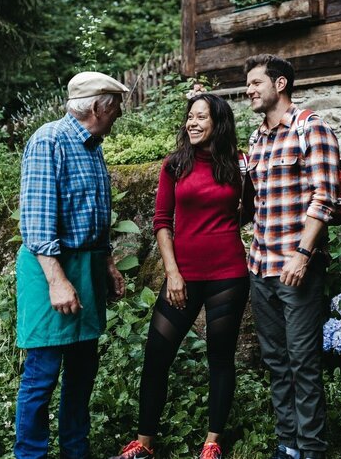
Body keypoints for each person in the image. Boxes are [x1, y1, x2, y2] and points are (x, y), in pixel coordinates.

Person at [111, 93, 250, 459]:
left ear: (218, 123)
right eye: (190, 117)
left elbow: (248, 212)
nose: (192, 123)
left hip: (228, 275)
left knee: (220, 359)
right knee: (157, 356)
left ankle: (211, 444)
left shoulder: (239, 164)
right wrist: (172, 272)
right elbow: (162, 221)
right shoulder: (175, 165)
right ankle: (143, 445)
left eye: (201, 117)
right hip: (182, 277)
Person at [14, 71, 129, 459]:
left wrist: (108, 263)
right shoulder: (49, 140)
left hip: (88, 266)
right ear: (97, 107)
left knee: (82, 372)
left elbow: (95, 214)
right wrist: (57, 281)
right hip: (52, 269)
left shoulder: (93, 146)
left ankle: (75, 452)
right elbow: (36, 221)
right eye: (115, 108)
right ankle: (30, 454)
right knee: (43, 374)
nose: (119, 115)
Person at [243, 54, 340, 459]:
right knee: (276, 361)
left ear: (280, 84)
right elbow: (254, 204)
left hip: (295, 267)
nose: (249, 90)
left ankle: (312, 448)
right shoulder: (256, 139)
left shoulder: (310, 128)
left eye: (255, 83)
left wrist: (303, 253)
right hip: (260, 266)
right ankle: (288, 445)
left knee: (302, 361)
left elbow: (326, 196)